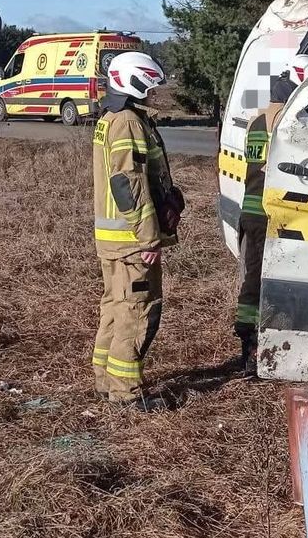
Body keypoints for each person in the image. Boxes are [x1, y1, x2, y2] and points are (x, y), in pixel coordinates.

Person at [91, 52, 184, 412]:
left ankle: (104, 379)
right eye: (149, 85)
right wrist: (149, 236)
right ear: (134, 82)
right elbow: (127, 183)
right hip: (131, 241)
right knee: (137, 310)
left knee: (115, 307)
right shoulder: (128, 121)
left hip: (114, 239)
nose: (153, 93)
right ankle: (125, 392)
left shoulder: (111, 117)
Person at [234, 54, 308, 375]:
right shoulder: (285, 122)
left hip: (249, 211)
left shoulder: (256, 120)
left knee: (252, 278)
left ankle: (247, 343)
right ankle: (257, 350)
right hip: (271, 215)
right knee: (265, 282)